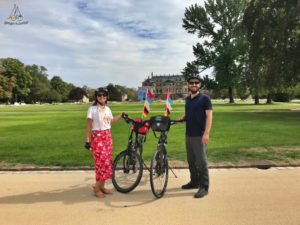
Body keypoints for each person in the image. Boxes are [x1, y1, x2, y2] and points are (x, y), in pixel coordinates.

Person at [85, 87, 123, 198]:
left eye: (104, 95)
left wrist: (120, 115)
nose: (102, 97)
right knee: (101, 164)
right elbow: (88, 126)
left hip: (107, 138)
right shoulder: (92, 109)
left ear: (106, 97)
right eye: (99, 95)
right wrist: (87, 141)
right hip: (97, 138)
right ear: (96, 97)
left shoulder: (107, 109)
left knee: (107, 163)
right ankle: (97, 188)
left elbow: (111, 121)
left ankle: (102, 186)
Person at [179, 75, 213, 198]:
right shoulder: (188, 99)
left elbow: (209, 116)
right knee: (191, 161)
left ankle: (204, 187)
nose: (194, 84)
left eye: (196, 83)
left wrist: (207, 133)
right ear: (188, 84)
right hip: (188, 135)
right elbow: (189, 113)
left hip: (199, 135)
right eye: (191, 83)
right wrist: (183, 118)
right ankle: (194, 182)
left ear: (200, 85)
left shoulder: (205, 99)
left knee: (201, 162)